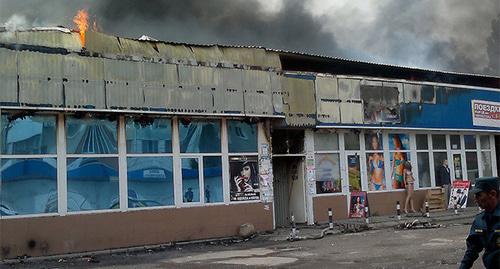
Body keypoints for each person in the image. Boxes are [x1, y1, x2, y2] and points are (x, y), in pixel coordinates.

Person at [459, 177, 499, 269]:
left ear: (492, 194)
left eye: (478, 195)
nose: (475, 199)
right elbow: (472, 249)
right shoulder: (480, 220)